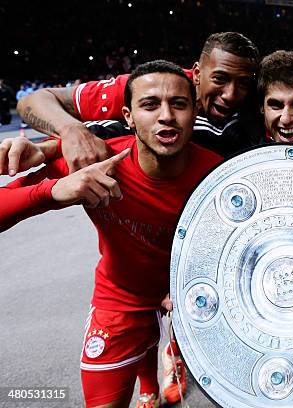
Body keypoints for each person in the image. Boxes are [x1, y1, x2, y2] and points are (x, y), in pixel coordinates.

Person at [1, 60, 223, 408]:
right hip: (122, 296)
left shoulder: (221, 176)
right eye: (150, 105)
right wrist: (51, 190)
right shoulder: (97, 160)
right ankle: (149, 379)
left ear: (195, 110)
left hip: (192, 296)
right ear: (128, 116)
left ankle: (167, 347)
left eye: (178, 104)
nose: (166, 115)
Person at [17, 32, 259, 170]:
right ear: (196, 74)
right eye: (219, 79)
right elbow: (34, 100)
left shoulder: (262, 102)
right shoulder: (150, 89)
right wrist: (71, 130)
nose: (231, 94)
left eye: (243, 83)